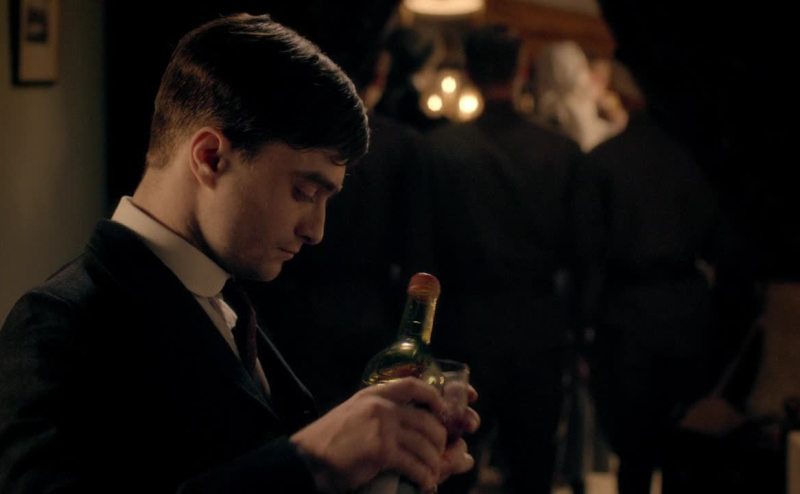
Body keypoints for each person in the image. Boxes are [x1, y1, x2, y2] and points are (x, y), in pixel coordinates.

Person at [0, 14, 478, 494]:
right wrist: (312, 460)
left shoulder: (228, 298)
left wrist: (382, 464)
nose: (316, 231)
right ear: (210, 157)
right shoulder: (55, 326)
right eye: (303, 191)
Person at [426, 25, 581, 494]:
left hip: (462, 330)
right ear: (522, 70)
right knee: (533, 468)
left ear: (469, 73)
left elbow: (423, 252)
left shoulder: (440, 149)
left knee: (451, 469)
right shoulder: (561, 151)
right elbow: (582, 252)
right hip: (538, 328)